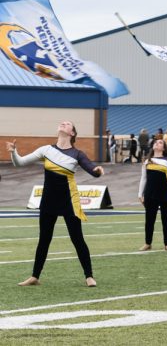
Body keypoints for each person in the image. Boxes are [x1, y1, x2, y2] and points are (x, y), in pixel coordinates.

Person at [7, 121, 104, 287]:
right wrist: (13, 152)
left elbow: (91, 169)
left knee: (77, 238)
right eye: (62, 123)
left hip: (69, 200)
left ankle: (89, 276)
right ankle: (35, 276)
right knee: (44, 239)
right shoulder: (46, 149)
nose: (63, 124)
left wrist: (97, 171)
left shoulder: (77, 153)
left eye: (67, 124)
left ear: (72, 133)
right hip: (48, 200)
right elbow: (19, 163)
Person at [138, 138, 167, 251]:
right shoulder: (147, 161)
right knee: (149, 220)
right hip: (150, 194)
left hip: (166, 194)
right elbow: (143, 178)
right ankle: (148, 243)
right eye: (156, 142)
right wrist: (140, 194)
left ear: (164, 148)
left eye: (160, 142)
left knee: (166, 220)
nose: (157, 143)